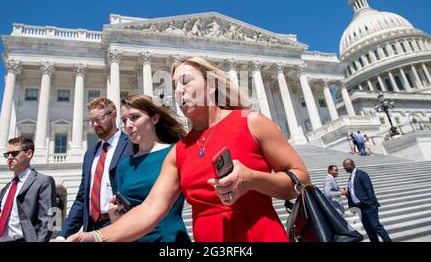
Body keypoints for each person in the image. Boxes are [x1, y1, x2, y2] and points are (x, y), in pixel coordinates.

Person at [68, 57, 310, 242]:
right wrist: (96, 237)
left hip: (259, 235)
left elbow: (301, 178)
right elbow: (150, 210)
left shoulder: (251, 121)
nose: (179, 91)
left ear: (212, 85)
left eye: (186, 81)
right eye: (174, 86)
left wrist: (252, 179)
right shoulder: (180, 150)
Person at [109, 94, 190, 242]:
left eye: (134, 117)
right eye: (124, 120)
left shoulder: (176, 153)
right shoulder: (123, 166)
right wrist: (115, 218)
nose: (127, 125)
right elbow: (125, 215)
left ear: (155, 118)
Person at [56, 98, 132, 241]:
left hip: (118, 224)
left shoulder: (131, 146)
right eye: (91, 121)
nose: (95, 125)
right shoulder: (90, 154)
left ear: (114, 114)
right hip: (91, 226)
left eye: (99, 119)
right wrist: (62, 235)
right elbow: (82, 199)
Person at [0, 136, 56, 242]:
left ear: (29, 154)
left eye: (15, 153)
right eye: (7, 154)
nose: (9, 158)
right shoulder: (6, 188)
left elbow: (51, 218)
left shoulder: (44, 181)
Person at [343, 159, 392, 242]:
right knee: (369, 229)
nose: (345, 168)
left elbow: (369, 189)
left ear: (351, 164)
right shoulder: (351, 177)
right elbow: (354, 192)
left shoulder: (361, 174)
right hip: (359, 208)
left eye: (346, 166)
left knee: (376, 227)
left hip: (368, 206)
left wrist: (372, 204)